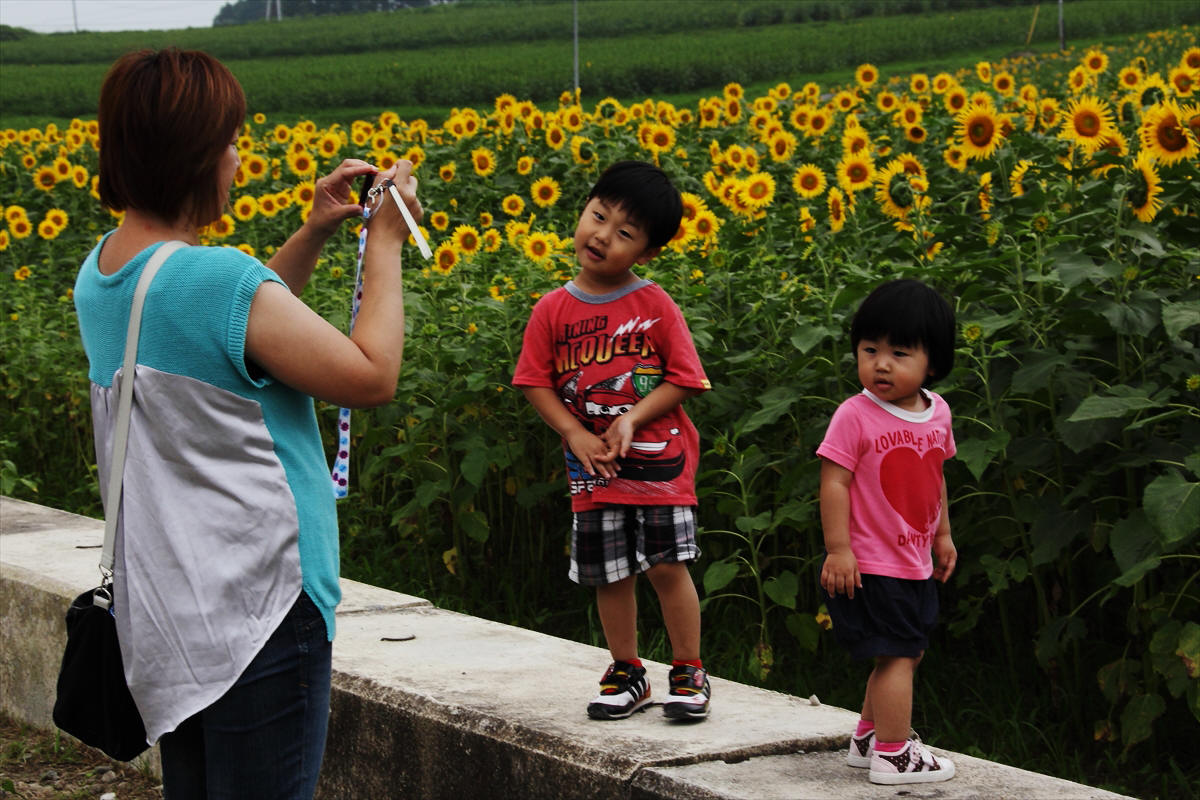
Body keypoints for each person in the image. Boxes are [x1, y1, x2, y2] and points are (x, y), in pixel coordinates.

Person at [73, 48, 422, 798]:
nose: (239, 157)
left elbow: (221, 328)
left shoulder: (102, 275)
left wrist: (313, 232)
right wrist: (386, 243)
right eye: (230, 140)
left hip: (172, 610)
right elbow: (371, 376)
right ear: (194, 154)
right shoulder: (215, 280)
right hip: (263, 608)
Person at [512, 161, 713, 721]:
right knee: (609, 573)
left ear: (646, 252)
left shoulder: (654, 305)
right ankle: (627, 668)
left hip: (659, 468)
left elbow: (686, 376)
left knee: (667, 567)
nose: (602, 235)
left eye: (625, 233)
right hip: (592, 470)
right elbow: (533, 381)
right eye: (598, 216)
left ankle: (688, 668)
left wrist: (631, 418)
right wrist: (574, 431)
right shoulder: (552, 309)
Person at [816, 279, 959, 785]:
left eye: (899, 353)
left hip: (913, 558)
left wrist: (942, 535)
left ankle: (870, 736)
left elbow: (934, 477)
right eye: (870, 349)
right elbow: (834, 481)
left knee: (907, 650)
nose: (880, 363)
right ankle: (895, 755)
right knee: (898, 654)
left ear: (932, 363)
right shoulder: (854, 415)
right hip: (872, 562)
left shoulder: (937, 412)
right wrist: (839, 549)